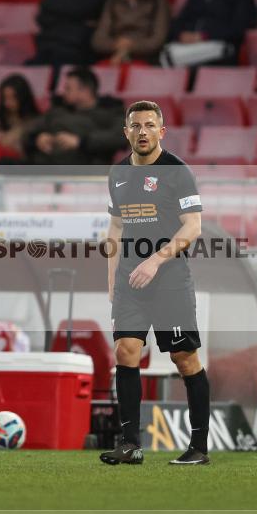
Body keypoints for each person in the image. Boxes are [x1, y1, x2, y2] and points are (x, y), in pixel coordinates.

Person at [99, 100, 209, 466]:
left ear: (161, 132)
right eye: (135, 125)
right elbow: (115, 227)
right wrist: (112, 278)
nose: (142, 131)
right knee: (125, 351)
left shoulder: (178, 172)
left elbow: (192, 227)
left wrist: (156, 260)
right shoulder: (117, 174)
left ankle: (199, 448)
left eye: (149, 125)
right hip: (130, 278)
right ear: (126, 131)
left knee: (184, 357)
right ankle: (130, 443)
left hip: (169, 277)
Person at [23, 66, 124, 165]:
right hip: (45, 167)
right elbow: (29, 131)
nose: (64, 92)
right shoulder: (58, 110)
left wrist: (80, 142)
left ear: (84, 90)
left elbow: (120, 137)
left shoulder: (111, 112)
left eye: (68, 88)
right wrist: (37, 138)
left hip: (85, 170)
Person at [91, 0, 170, 65]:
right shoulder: (113, 2)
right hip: (114, 54)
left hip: (146, 56)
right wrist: (116, 45)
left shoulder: (156, 0)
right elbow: (98, 40)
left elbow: (158, 39)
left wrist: (131, 46)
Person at [0, 73, 42, 159]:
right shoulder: (0, 116)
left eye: (12, 98)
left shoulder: (35, 121)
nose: (8, 103)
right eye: (5, 98)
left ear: (22, 97)